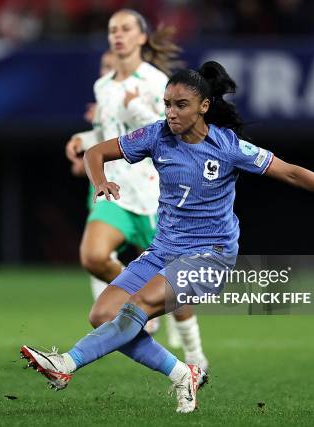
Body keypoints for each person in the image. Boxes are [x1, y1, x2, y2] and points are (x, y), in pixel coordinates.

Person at [21, 60, 314, 413]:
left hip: (211, 256)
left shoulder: (227, 146)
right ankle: (184, 373)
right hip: (164, 249)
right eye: (167, 104)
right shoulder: (156, 135)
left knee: (138, 307)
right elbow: (97, 152)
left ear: (204, 106)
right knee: (103, 313)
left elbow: (290, 172)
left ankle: (66, 363)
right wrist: (100, 181)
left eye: (181, 105)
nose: (171, 113)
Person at [64, 8, 207, 366]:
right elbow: (107, 133)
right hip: (118, 191)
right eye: (113, 29)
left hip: (157, 195)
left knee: (174, 288)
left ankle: (195, 355)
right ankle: (135, 300)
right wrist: (83, 140)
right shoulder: (104, 85)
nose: (118, 34)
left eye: (126, 28)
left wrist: (141, 113)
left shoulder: (158, 82)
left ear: (142, 37)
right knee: (93, 257)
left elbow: (176, 133)